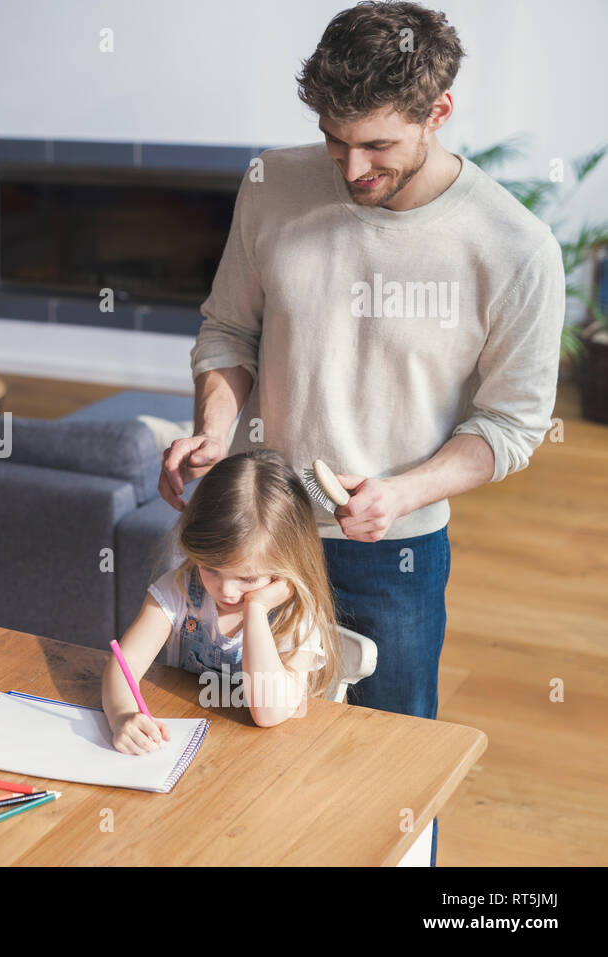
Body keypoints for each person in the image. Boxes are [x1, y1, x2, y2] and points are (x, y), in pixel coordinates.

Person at [158, 3, 564, 865]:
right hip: (263, 534)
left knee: (391, 766)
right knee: (244, 737)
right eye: (334, 139)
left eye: (377, 145)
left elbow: (513, 424)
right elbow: (229, 330)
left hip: (394, 553)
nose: (351, 166)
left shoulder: (514, 247)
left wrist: (405, 489)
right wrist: (212, 427)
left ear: (438, 112)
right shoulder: (273, 181)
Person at [104, 450, 341, 752]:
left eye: (247, 578)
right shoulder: (179, 590)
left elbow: (268, 712)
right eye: (211, 569)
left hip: (269, 761)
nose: (226, 591)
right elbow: (125, 664)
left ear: (286, 565)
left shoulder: (296, 615)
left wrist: (255, 610)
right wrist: (122, 715)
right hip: (187, 747)